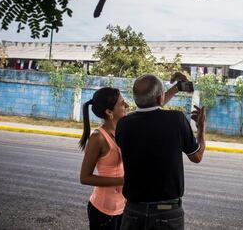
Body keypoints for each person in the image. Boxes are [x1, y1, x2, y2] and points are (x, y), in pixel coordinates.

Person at [116, 74, 206, 230]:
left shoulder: (123, 125)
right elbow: (197, 157)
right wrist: (201, 130)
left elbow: (151, 111)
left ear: (136, 99)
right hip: (167, 212)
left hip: (133, 211)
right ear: (160, 98)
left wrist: (176, 88)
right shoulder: (176, 119)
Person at [79, 87, 129, 230]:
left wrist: (175, 88)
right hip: (103, 212)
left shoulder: (122, 129)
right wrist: (122, 181)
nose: (127, 106)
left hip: (123, 207)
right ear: (109, 112)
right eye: (122, 103)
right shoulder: (98, 138)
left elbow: (150, 105)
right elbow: (85, 178)